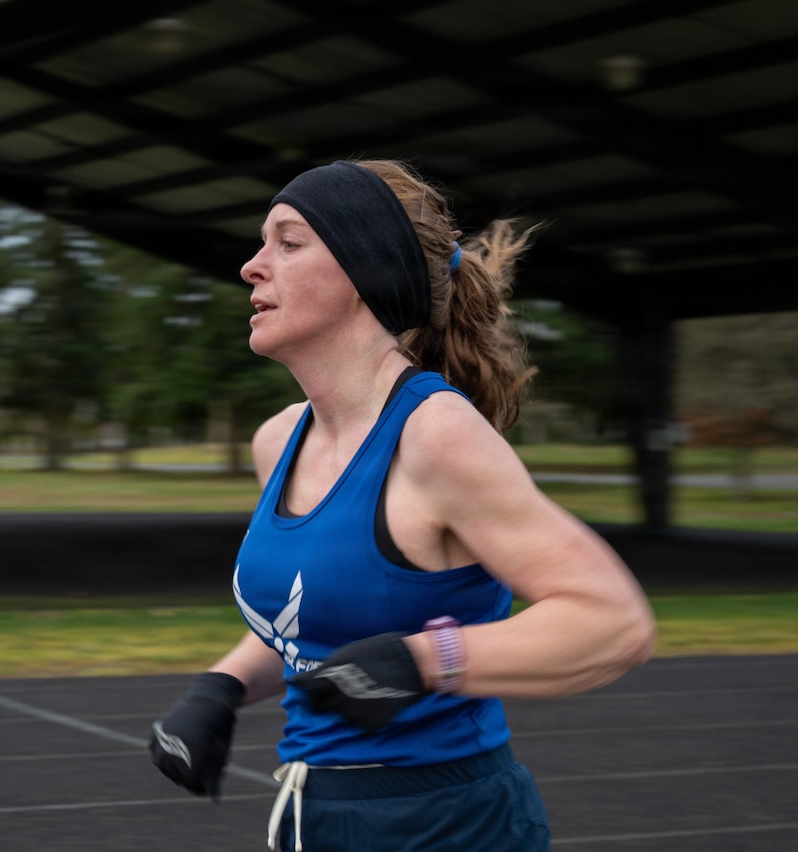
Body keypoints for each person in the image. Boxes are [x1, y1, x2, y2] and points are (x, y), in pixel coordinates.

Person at [149, 159, 656, 851]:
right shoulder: (279, 441)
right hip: (317, 814)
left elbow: (612, 624)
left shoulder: (436, 438)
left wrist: (426, 660)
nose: (251, 266)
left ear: (367, 269)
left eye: (288, 242)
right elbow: (320, 619)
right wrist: (222, 688)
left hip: (447, 821)